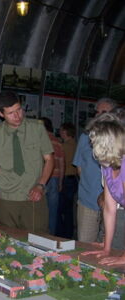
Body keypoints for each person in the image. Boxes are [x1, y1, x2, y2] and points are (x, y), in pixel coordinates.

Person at [0, 91, 54, 231]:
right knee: (8, 244)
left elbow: (49, 159)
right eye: (11, 113)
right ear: (1, 114)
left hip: (33, 198)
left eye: (19, 110)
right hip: (4, 200)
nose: (17, 116)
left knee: (37, 242)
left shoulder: (37, 128)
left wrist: (41, 185)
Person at [82, 113, 125, 266]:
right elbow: (109, 208)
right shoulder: (107, 165)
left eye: (94, 142)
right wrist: (107, 247)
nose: (92, 146)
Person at [73, 98, 116, 242]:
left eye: (104, 112)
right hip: (88, 200)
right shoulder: (86, 136)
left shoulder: (120, 139)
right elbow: (79, 166)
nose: (99, 115)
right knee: (85, 243)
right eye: (97, 112)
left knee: (109, 245)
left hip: (114, 203)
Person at [40, 117, 64, 236]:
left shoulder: (39, 139)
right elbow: (61, 162)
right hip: (55, 178)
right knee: (53, 210)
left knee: (41, 209)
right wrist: (60, 182)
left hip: (42, 179)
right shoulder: (57, 141)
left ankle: (41, 235)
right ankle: (52, 236)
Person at [56, 122, 78, 239]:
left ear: (65, 132)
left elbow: (61, 163)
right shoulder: (75, 145)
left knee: (59, 209)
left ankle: (60, 234)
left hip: (65, 179)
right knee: (69, 210)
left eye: (61, 130)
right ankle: (68, 234)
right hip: (73, 179)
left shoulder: (64, 147)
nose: (59, 132)